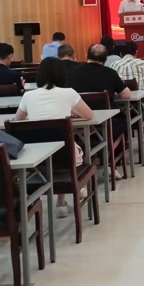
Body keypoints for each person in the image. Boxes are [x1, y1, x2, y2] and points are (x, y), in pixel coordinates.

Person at [14, 57, 95, 217]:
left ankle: (61, 203)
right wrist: (71, 112)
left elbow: (17, 121)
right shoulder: (69, 93)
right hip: (66, 156)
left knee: (56, 152)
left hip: (37, 158)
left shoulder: (28, 96)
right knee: (70, 148)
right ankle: (67, 197)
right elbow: (89, 115)